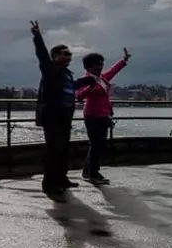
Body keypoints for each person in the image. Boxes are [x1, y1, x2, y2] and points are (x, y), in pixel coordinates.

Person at [30, 20, 95, 195]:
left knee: (64, 150)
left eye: (70, 54)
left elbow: (72, 86)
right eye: (65, 53)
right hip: (52, 117)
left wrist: (88, 80)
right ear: (55, 56)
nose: (69, 56)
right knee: (53, 150)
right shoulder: (50, 69)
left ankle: (62, 179)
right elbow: (42, 55)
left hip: (65, 118)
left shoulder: (66, 74)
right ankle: (50, 183)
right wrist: (37, 36)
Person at [76, 49, 131, 184]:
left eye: (101, 63)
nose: (101, 66)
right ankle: (93, 174)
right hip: (92, 115)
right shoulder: (86, 80)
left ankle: (87, 171)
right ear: (89, 67)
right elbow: (78, 96)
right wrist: (90, 88)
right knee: (96, 145)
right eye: (97, 64)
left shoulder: (103, 78)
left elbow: (113, 70)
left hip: (102, 115)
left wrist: (123, 60)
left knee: (96, 144)